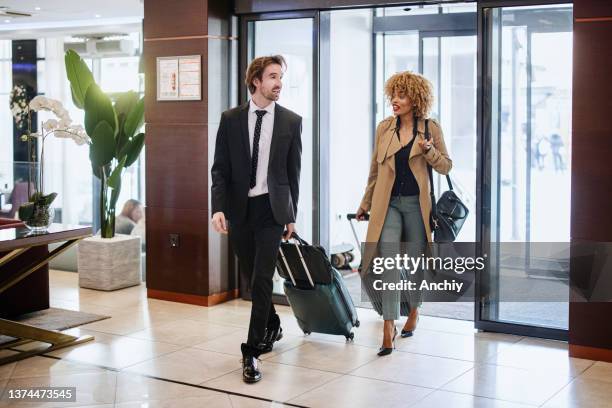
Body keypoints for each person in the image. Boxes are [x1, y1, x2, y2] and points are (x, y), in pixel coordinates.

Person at [210, 55, 302, 383]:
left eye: (281, 77)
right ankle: (273, 322)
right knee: (252, 276)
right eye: (273, 76)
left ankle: (251, 351)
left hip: (271, 210)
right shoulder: (231, 119)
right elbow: (219, 169)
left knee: (262, 279)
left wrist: (290, 215)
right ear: (256, 82)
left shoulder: (291, 121)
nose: (279, 83)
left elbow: (294, 175)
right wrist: (218, 208)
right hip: (239, 210)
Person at [356, 71, 452, 356]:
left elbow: (446, 166)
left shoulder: (430, 128)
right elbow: (375, 170)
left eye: (401, 95)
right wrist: (365, 203)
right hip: (388, 206)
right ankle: (388, 327)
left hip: (417, 206)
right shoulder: (384, 128)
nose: (395, 101)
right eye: (392, 95)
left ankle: (415, 309)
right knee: (388, 262)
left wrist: (430, 151)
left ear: (416, 99)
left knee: (414, 263)